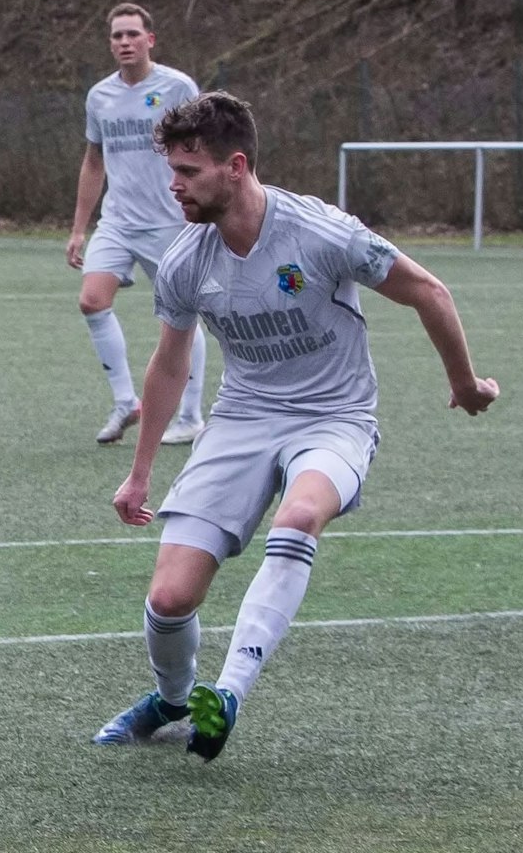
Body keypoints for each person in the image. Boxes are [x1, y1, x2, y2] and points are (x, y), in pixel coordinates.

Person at [96, 92, 499, 760]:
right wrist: (140, 471)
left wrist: (466, 384)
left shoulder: (321, 232)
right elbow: (170, 362)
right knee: (169, 597)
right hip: (242, 420)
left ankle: (224, 693)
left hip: (334, 419)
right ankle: (174, 699)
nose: (175, 186)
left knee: (298, 516)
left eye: (188, 171)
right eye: (171, 170)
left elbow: (428, 290)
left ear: (236, 165)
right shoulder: (186, 260)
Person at [66, 3, 209, 446]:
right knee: (92, 301)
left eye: (132, 34)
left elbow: (203, 149)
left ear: (150, 39)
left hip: (169, 222)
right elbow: (93, 162)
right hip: (118, 222)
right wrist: (78, 228)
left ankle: (189, 415)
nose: (124, 42)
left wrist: (201, 204)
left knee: (180, 319)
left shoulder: (176, 86)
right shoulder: (100, 96)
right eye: (116, 36)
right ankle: (126, 402)